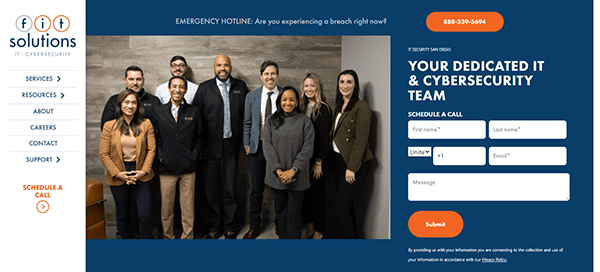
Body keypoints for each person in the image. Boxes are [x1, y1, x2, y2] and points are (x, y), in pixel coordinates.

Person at [99, 66, 162, 238]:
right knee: (123, 213)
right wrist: (117, 173)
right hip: (118, 171)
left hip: (141, 170)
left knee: (145, 214)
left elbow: (152, 148)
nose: (130, 105)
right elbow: (104, 153)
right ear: (120, 104)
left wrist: (144, 171)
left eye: (133, 102)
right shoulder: (109, 125)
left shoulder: (146, 122)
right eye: (126, 102)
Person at [192, 54, 249, 239]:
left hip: (232, 148)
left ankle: (230, 227)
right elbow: (197, 119)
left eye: (225, 65)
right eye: (219, 65)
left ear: (230, 67)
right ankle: (214, 227)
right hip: (209, 149)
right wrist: (199, 147)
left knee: (229, 188)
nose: (222, 68)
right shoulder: (204, 88)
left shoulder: (240, 87)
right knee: (211, 190)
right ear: (214, 68)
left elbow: (247, 117)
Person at [152, 76, 203, 239]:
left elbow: (200, 137)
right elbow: (156, 137)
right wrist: (161, 156)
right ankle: (168, 237)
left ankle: (187, 238)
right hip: (166, 168)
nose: (177, 90)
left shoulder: (193, 111)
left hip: (188, 168)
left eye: (181, 87)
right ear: (168, 89)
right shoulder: (159, 111)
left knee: (188, 208)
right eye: (174, 86)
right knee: (166, 208)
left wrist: (192, 156)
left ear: (186, 90)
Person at [262, 86, 315, 239]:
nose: (288, 103)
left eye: (292, 100)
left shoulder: (305, 121)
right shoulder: (271, 121)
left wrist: (293, 170)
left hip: (298, 176)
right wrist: (279, 171)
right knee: (281, 212)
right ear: (280, 101)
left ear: (297, 101)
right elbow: (267, 147)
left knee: (294, 213)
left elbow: (308, 148)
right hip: (277, 177)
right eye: (284, 99)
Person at [330, 70, 373, 239]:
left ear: (355, 85)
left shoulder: (361, 107)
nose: (345, 85)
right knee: (346, 207)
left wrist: (352, 168)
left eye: (349, 82)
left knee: (340, 207)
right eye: (342, 82)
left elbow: (361, 140)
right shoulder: (340, 105)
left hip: (353, 165)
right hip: (339, 162)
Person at [242, 60, 281, 239]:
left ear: (277, 76)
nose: (270, 77)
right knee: (256, 190)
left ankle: (281, 226)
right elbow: (247, 122)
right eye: (266, 74)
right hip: (257, 149)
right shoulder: (252, 96)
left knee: (279, 189)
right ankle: (254, 226)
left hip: (279, 150)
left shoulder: (284, 95)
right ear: (261, 76)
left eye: (273, 73)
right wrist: (246, 143)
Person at [298, 73, 332, 239]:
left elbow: (324, 139)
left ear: (318, 88)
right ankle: (310, 227)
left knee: (317, 198)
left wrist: (319, 162)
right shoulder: (301, 107)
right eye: (306, 86)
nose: (309, 89)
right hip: (304, 161)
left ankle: (319, 231)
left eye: (312, 85)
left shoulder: (323, 108)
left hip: (318, 161)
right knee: (305, 197)